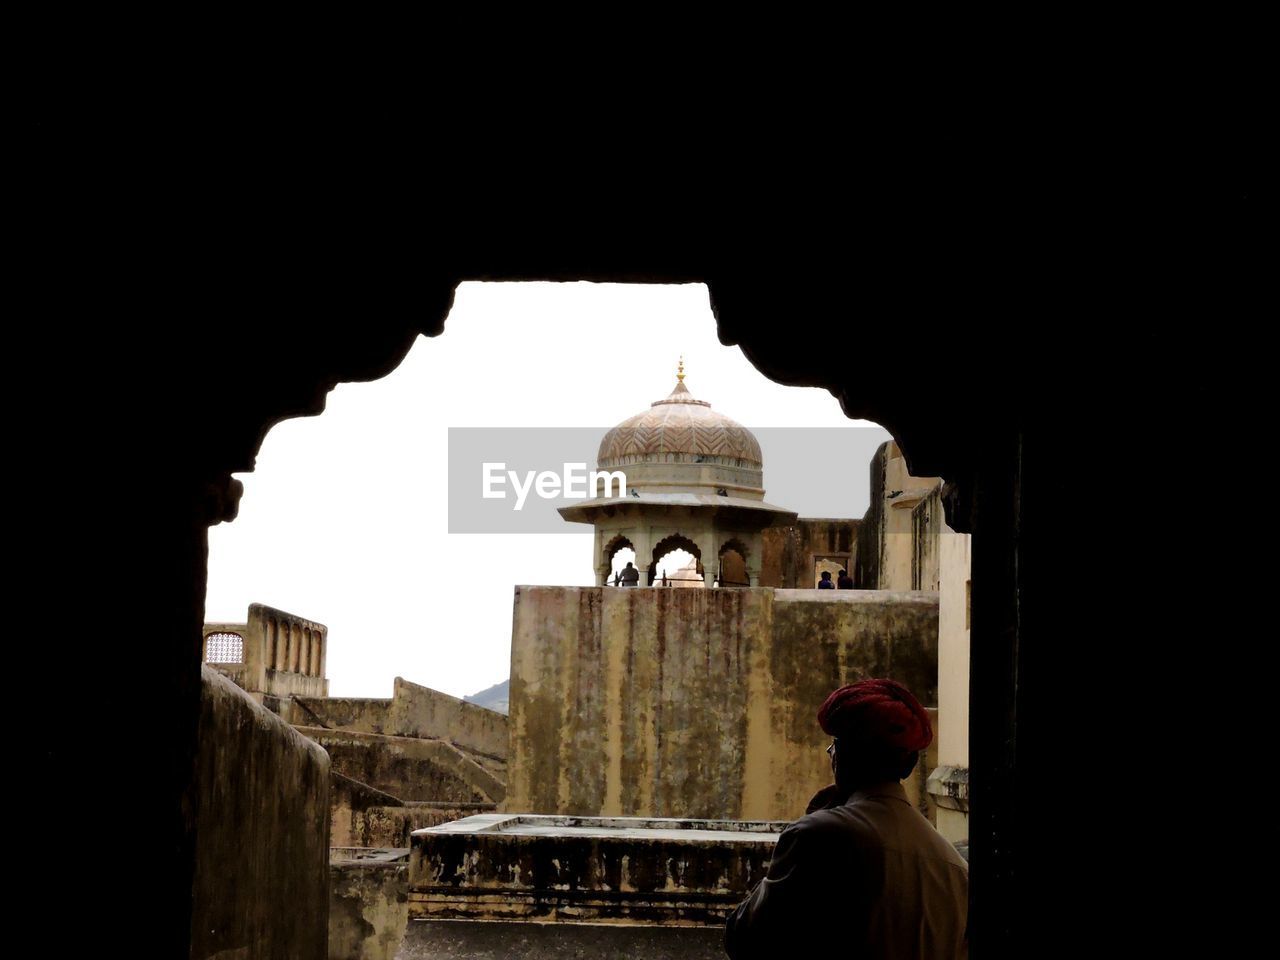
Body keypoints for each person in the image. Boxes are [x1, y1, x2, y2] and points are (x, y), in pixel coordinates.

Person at [724, 678, 968, 959]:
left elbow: (746, 940)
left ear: (840, 756)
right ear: (910, 765)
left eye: (834, 747)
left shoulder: (819, 835)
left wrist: (813, 820)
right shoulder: (954, 867)